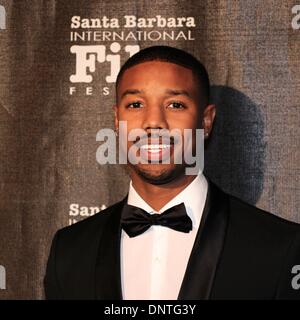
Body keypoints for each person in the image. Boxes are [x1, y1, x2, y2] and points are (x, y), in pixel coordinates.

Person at [44, 46, 300, 300]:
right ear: (116, 120)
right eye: (135, 104)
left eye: (175, 104)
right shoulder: (69, 251)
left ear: (206, 121)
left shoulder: (280, 247)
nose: (153, 122)